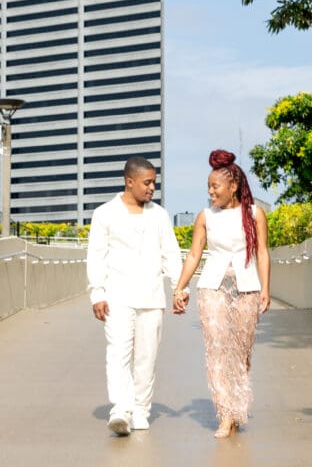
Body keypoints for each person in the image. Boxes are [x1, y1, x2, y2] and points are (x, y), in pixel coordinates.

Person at [172, 149, 270, 438]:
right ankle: (226, 414)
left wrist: (266, 288)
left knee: (241, 353)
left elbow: (262, 252)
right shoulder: (205, 217)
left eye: (215, 187)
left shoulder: (254, 214)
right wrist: (179, 287)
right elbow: (193, 255)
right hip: (213, 287)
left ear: (233, 187)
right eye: (208, 187)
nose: (210, 192)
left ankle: (237, 407)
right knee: (216, 351)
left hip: (247, 287)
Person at [87, 156, 183, 436]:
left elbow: (171, 254)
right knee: (118, 353)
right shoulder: (104, 213)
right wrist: (97, 293)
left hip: (152, 297)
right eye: (147, 182)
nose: (152, 187)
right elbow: (96, 256)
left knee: (146, 358)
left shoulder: (159, 215)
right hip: (117, 296)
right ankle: (121, 408)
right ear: (130, 182)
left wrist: (179, 288)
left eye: (154, 182)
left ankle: (141, 409)